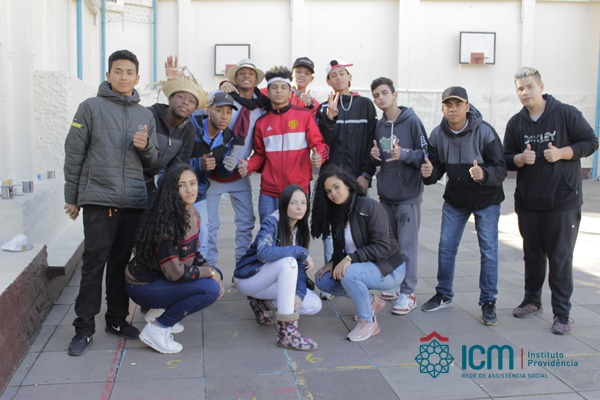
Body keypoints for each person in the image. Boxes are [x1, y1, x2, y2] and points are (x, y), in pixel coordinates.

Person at [63, 50, 159, 356]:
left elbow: (154, 162)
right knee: (93, 265)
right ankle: (83, 328)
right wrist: (72, 197)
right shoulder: (89, 108)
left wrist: (146, 148)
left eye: (129, 72)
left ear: (137, 78)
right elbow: (74, 154)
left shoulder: (145, 115)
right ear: (108, 75)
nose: (123, 77)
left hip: (133, 201)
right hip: (98, 198)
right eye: (118, 71)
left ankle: (116, 320)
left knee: (120, 263)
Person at [503, 67, 598, 335]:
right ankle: (532, 301)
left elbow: (591, 142)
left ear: (541, 87)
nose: (525, 92)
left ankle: (562, 314)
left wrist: (563, 152)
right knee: (532, 256)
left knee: (560, 259)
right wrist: (519, 159)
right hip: (529, 203)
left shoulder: (566, 114)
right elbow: (505, 157)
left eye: (530, 87)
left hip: (562, 202)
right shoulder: (516, 123)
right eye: (520, 89)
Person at [420, 86, 506, 326]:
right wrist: (428, 173)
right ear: (442, 108)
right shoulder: (437, 134)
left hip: (486, 201)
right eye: (448, 105)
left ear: (467, 107)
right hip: (455, 201)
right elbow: (436, 169)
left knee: (488, 251)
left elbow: (500, 169)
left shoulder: (485, 132)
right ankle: (444, 294)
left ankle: (488, 301)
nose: (453, 109)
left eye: (458, 104)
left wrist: (484, 174)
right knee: (446, 247)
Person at [126, 164, 224, 354]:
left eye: (193, 183)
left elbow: (194, 253)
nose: (190, 190)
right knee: (209, 289)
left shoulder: (192, 213)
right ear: (173, 189)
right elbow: (175, 273)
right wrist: (210, 273)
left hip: (161, 278)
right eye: (182, 185)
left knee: (216, 275)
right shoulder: (168, 222)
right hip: (143, 287)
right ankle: (158, 328)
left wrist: (212, 271)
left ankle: (158, 312)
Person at [311, 166, 406, 342]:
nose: (333, 194)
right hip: (363, 265)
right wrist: (333, 262)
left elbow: (382, 246)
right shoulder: (337, 212)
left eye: (337, 187)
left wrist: (350, 259)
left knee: (349, 274)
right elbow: (342, 246)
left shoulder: (369, 206)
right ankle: (371, 302)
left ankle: (368, 322)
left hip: (389, 268)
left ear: (347, 185)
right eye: (328, 191)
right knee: (323, 280)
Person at [234, 185, 321, 351]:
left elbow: (300, 269)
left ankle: (262, 304)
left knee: (312, 304)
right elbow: (264, 253)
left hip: (270, 284)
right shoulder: (272, 222)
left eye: (303, 203)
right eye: (293, 202)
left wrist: (299, 294)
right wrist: (300, 251)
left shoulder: (300, 228)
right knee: (288, 262)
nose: (299, 207)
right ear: (284, 204)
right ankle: (287, 333)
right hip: (249, 279)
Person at [238, 66, 329, 222]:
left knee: (296, 235)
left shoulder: (305, 116)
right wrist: (249, 165)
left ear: (290, 91)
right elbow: (260, 154)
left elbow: (320, 145)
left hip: (297, 189)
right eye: (274, 87)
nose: (279, 91)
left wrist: (320, 156)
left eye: (283, 87)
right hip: (269, 192)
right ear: (268, 92)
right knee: (268, 233)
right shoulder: (262, 122)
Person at [369, 77, 427, 315]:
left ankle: (408, 291)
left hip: (407, 196)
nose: (380, 98)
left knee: (407, 247)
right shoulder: (380, 125)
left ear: (394, 94)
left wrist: (405, 154)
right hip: (387, 194)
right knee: (390, 246)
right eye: (376, 95)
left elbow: (425, 154)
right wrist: (374, 155)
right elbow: (381, 155)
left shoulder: (412, 121)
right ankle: (394, 284)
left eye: (384, 93)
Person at [204, 58, 268, 267]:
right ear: (235, 78)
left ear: (256, 79)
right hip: (214, 172)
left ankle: (242, 265)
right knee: (209, 225)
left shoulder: (262, 105)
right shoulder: (222, 96)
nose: (246, 76)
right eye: (241, 73)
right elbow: (203, 106)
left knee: (246, 222)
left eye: (250, 73)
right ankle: (210, 267)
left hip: (240, 170)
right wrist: (223, 86)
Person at [144, 56, 208, 203]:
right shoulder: (149, 115)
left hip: (149, 183)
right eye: (180, 96)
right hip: (128, 178)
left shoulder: (188, 130)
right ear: (170, 98)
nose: (185, 102)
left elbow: (177, 169)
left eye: (192, 101)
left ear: (194, 109)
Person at [189, 91, 238, 255]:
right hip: (174, 193)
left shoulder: (227, 137)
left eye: (229, 112)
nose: (224, 116)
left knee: (203, 240)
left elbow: (220, 171)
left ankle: (201, 271)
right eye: (219, 110)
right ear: (209, 109)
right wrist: (198, 164)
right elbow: (173, 161)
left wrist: (228, 168)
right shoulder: (191, 126)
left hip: (199, 193)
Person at [316, 59, 376, 191]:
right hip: (331, 180)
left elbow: (372, 141)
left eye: (342, 73)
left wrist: (366, 174)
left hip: (358, 178)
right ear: (328, 81)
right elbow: (322, 143)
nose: (338, 77)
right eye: (333, 75)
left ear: (349, 77)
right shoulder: (323, 108)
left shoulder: (365, 104)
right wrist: (329, 120)